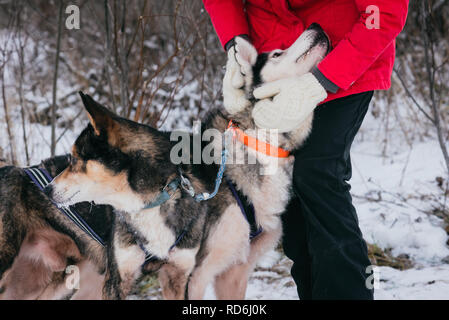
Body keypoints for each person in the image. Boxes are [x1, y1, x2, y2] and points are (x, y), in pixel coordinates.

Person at [203, 0, 409, 300]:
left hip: (345, 53)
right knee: (287, 188)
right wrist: (237, 43)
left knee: (315, 173)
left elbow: (385, 13)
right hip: (277, 65)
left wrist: (322, 81)